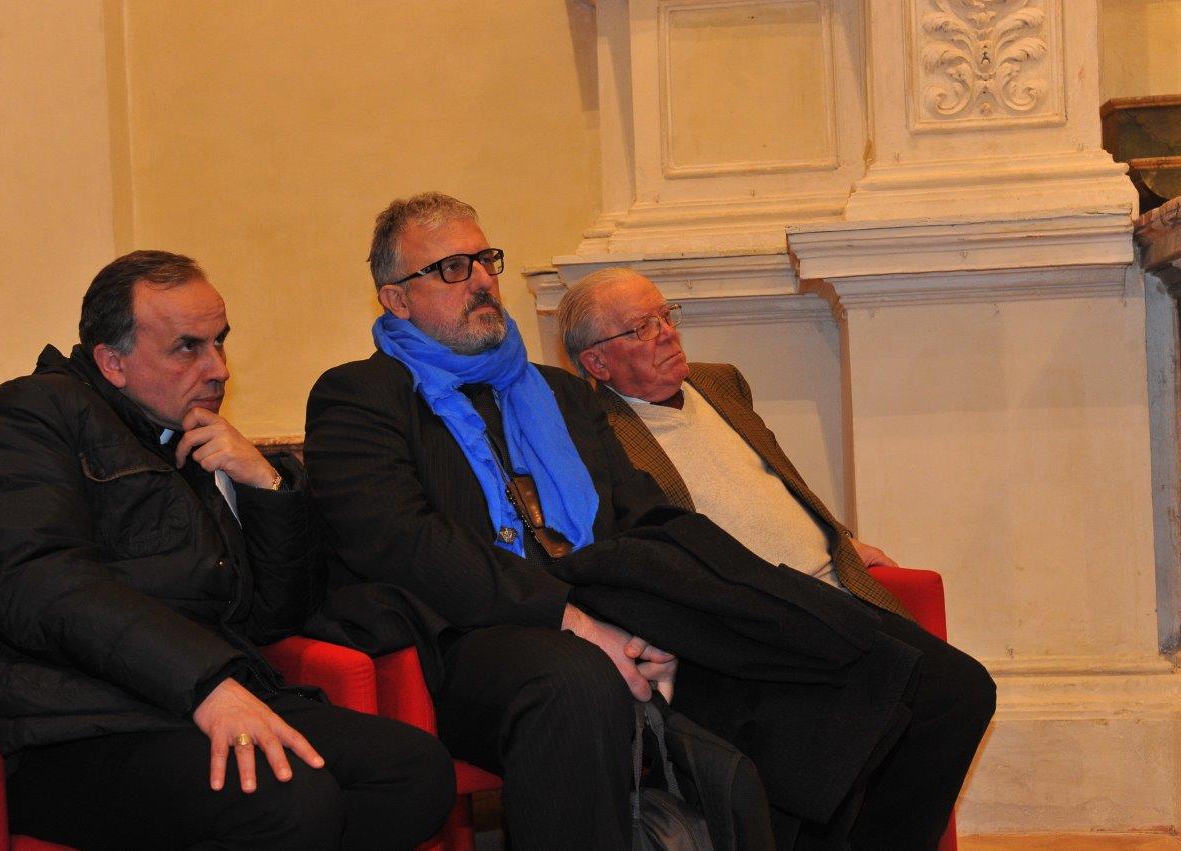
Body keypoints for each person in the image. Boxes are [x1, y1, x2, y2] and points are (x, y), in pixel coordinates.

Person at [304, 193, 994, 851]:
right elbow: (404, 542)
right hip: (472, 641)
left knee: (935, 685)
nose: (483, 279)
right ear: (396, 299)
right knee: (577, 680)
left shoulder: (560, 393)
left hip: (619, 615)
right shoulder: (360, 396)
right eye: (453, 268)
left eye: (486, 260)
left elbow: (644, 515)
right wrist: (575, 620)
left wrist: (693, 610)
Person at [0, 250, 454, 850]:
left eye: (220, 342)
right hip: (75, 726)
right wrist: (205, 685)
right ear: (112, 362)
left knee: (413, 772)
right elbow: (41, 584)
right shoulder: (27, 415)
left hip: (199, 701)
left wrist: (267, 487)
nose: (219, 369)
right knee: (290, 802)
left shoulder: (188, 435)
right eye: (188, 347)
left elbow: (272, 617)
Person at [557, 266, 909, 616]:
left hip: (841, 587)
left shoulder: (719, 382)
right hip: (763, 616)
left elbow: (782, 481)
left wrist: (844, 541)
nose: (668, 334)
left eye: (665, 316)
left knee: (935, 651)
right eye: (643, 327)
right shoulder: (598, 438)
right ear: (597, 363)